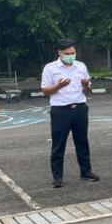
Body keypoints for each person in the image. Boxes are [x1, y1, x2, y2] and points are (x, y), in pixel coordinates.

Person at [41, 38, 99, 188]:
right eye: (67, 53)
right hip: (61, 110)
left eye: (73, 53)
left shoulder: (81, 66)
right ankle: (58, 177)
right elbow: (45, 91)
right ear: (59, 53)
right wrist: (58, 86)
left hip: (80, 108)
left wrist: (86, 85)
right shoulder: (50, 68)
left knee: (82, 142)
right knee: (58, 144)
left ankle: (86, 172)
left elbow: (88, 91)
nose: (71, 56)